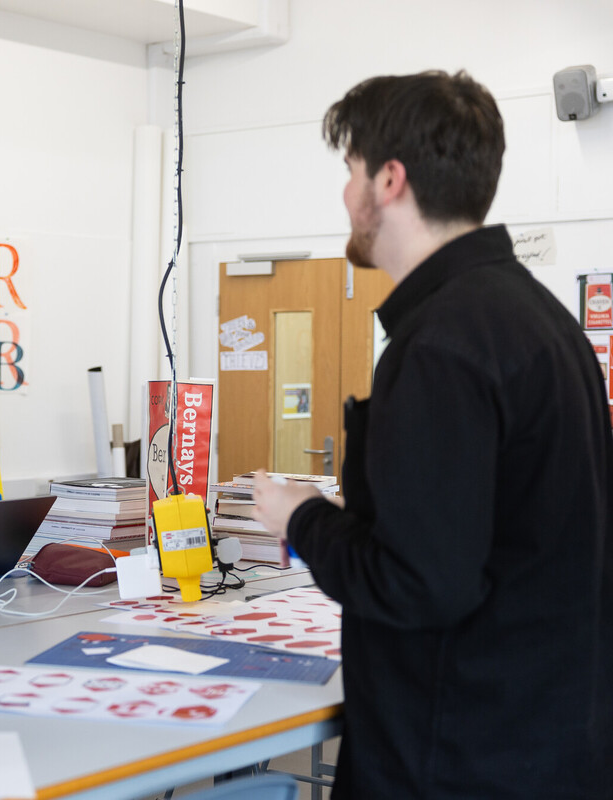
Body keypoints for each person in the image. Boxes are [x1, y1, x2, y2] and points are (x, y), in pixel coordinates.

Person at [252, 71, 613, 799]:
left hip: (456, 759)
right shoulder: (546, 325)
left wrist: (302, 516)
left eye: (350, 171)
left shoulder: (442, 347)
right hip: (551, 744)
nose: (346, 195)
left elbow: (420, 584)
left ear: (389, 180)